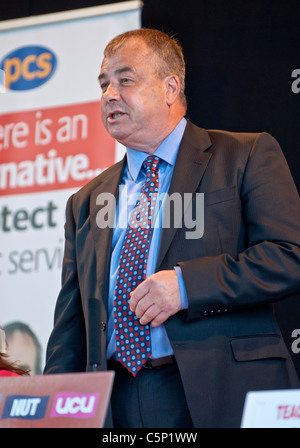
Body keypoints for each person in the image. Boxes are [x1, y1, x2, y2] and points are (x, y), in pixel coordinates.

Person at [44, 28, 300, 428]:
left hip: (220, 389)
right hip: (118, 401)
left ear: (170, 87)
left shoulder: (244, 154)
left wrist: (185, 287)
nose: (109, 94)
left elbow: (288, 256)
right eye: (103, 84)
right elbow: (72, 322)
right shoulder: (85, 202)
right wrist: (54, 413)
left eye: (125, 80)